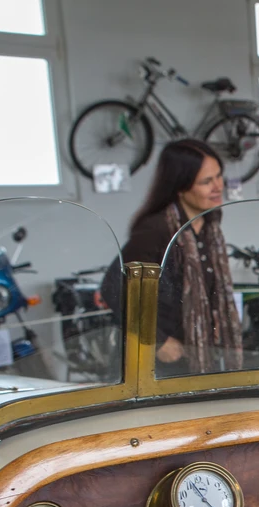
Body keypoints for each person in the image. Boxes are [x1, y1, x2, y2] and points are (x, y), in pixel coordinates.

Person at [101, 138, 242, 375]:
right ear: (180, 187)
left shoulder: (210, 223)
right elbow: (113, 288)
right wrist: (158, 340)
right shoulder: (156, 230)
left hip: (196, 352)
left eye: (219, 176)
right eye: (206, 181)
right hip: (158, 362)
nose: (218, 186)